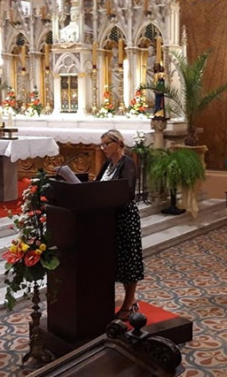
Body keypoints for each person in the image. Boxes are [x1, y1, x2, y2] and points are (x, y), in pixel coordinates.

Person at [96, 129, 144, 320]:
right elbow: (96, 184)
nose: (103, 148)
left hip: (125, 217)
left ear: (118, 144)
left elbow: (128, 191)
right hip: (108, 217)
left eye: (106, 144)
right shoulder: (108, 164)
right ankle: (125, 300)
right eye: (102, 144)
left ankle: (129, 302)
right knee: (116, 260)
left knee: (128, 261)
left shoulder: (127, 163)